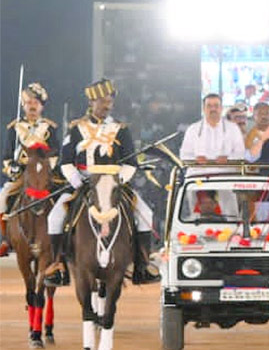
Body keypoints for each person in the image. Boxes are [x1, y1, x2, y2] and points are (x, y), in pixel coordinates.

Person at [44, 79, 159, 287]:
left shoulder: (121, 129)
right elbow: (66, 161)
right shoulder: (76, 129)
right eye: (102, 101)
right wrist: (77, 181)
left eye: (109, 102)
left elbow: (131, 163)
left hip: (113, 184)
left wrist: (117, 180)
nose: (107, 106)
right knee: (55, 217)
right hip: (83, 183)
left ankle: (143, 264)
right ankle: (57, 265)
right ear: (91, 102)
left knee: (146, 213)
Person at [0, 82, 58, 255]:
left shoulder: (49, 128)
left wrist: (47, 168)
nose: (32, 106)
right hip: (22, 174)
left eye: (36, 103)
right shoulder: (14, 128)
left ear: (41, 106)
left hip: (44, 174)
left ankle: (61, 240)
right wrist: (14, 168)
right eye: (29, 103)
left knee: (62, 198)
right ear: (23, 105)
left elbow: (55, 154)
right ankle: (4, 238)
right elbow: (6, 157)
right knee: (2, 198)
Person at [180, 93, 247, 164]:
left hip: (226, 172)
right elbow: (184, 155)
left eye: (216, 106)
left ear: (221, 108)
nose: (213, 109)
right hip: (198, 172)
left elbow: (241, 154)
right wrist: (196, 159)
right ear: (203, 109)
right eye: (209, 106)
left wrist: (228, 159)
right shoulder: (193, 129)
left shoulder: (233, 128)